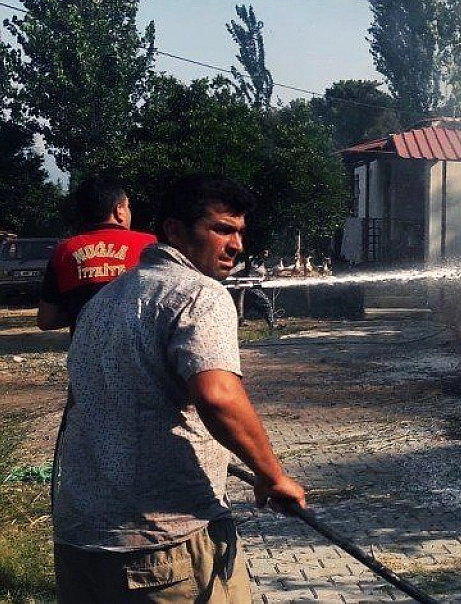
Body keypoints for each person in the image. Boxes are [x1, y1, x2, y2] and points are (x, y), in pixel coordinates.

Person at [52, 174, 306, 603]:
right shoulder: (199, 295)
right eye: (222, 229)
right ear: (174, 230)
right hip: (161, 549)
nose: (236, 245)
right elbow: (218, 396)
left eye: (240, 232)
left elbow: (88, 401)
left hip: (79, 541)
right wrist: (273, 476)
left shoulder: (103, 301)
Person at [37, 178, 157, 331]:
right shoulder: (150, 245)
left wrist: (85, 312)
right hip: (143, 344)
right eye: (128, 206)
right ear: (119, 210)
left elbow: (46, 320)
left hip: (86, 345)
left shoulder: (64, 252)